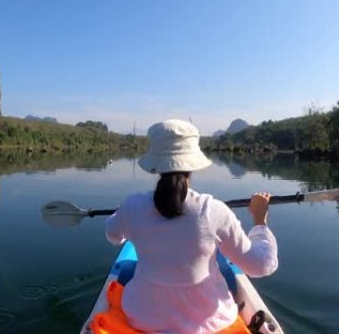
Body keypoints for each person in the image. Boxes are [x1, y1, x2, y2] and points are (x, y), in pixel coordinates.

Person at [105, 119, 279, 334]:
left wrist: (122, 215)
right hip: (210, 323)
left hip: (142, 318)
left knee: (129, 269)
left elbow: (113, 235)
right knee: (226, 268)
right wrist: (260, 221)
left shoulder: (132, 206)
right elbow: (261, 266)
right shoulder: (215, 210)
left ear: (155, 165)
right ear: (192, 164)